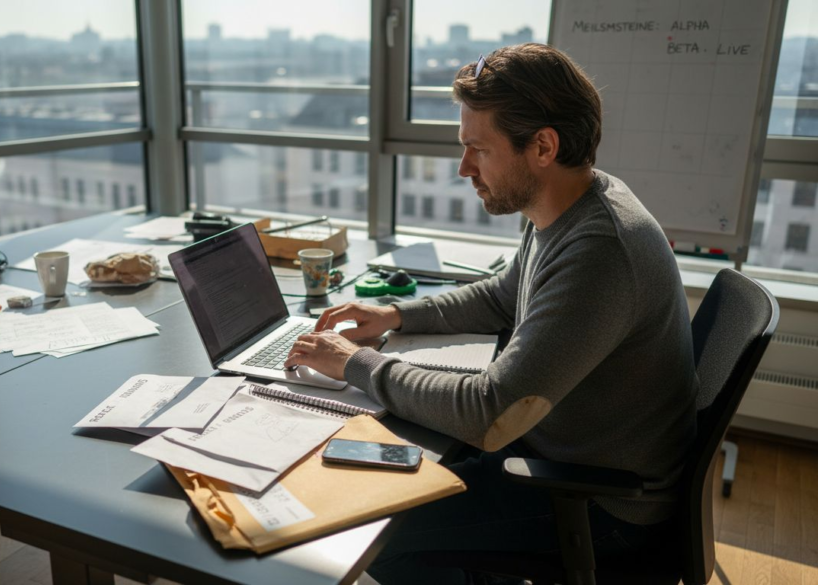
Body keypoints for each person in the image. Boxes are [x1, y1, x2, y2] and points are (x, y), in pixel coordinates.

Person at [284, 43, 699, 584]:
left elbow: (490, 413)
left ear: (543, 147)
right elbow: (504, 295)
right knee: (378, 467)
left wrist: (354, 364)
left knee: (374, 532)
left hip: (597, 505)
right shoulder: (565, 203)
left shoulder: (600, 252)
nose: (463, 168)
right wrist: (394, 315)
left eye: (477, 149)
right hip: (560, 453)